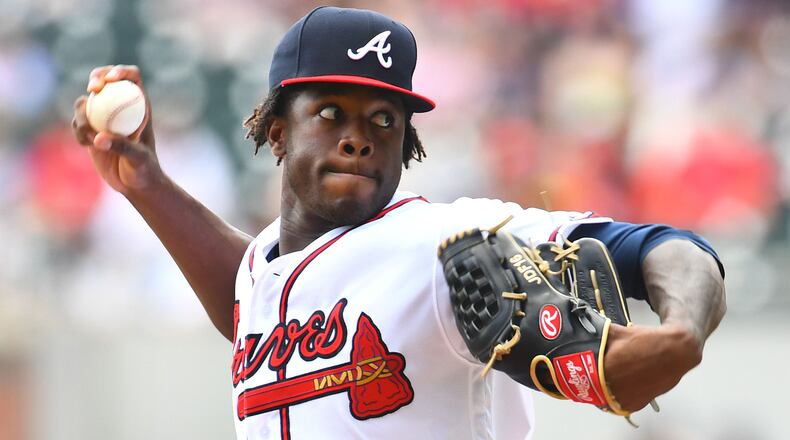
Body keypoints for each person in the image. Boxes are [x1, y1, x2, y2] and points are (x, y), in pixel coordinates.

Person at [71, 6, 726, 440]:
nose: (359, 138)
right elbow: (252, 301)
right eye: (330, 112)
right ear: (276, 131)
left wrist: (681, 332)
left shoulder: (447, 243)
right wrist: (148, 186)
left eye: (383, 119)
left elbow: (670, 252)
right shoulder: (266, 268)